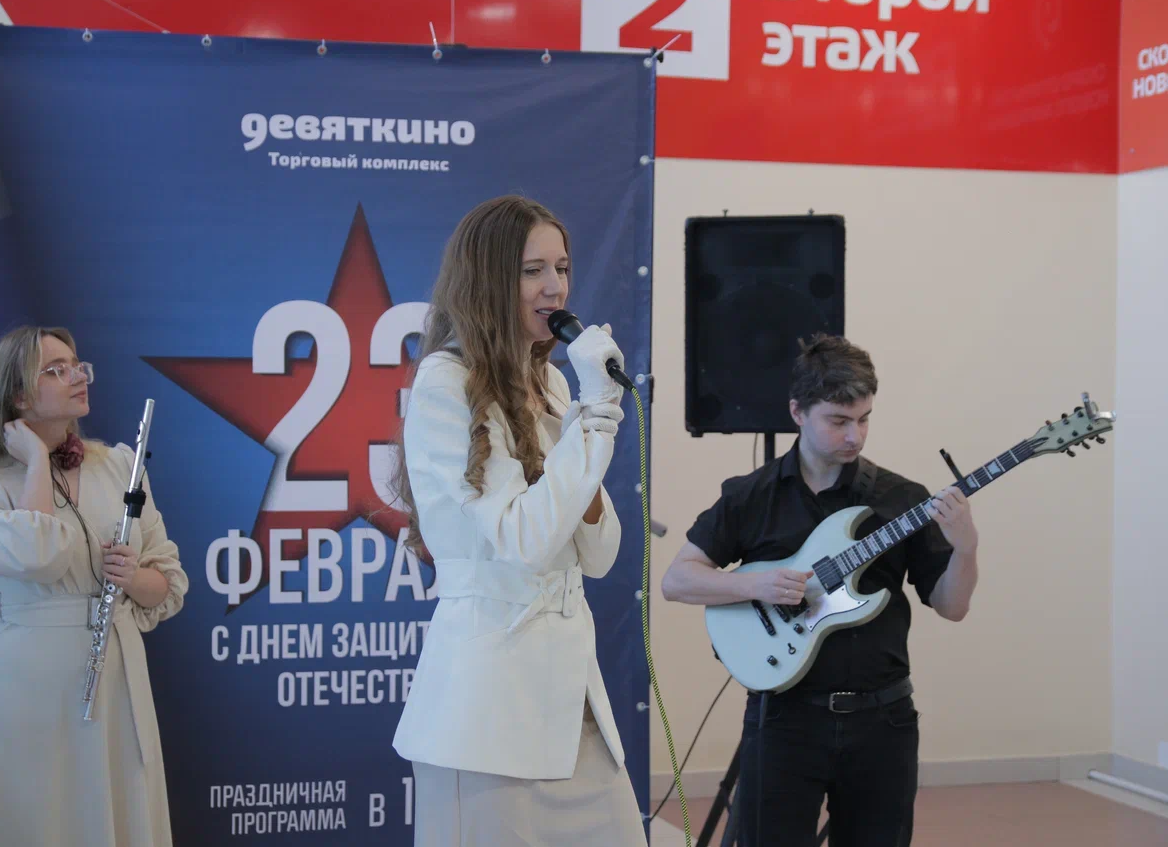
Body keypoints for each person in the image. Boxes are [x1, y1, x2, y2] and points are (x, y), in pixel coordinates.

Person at [389, 194, 646, 845]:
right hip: (488, 713)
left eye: (562, 267)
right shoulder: (446, 382)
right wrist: (595, 417)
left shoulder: (552, 383)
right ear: (488, 279)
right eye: (533, 270)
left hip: (570, 703)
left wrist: (584, 432)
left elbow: (600, 554)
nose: (555, 286)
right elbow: (523, 541)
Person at [661, 334, 980, 847]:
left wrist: (965, 548)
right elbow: (677, 580)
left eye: (864, 419)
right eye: (838, 420)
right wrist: (756, 584)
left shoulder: (902, 498)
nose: (855, 436)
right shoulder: (751, 495)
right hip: (783, 721)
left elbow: (953, 606)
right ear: (798, 412)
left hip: (884, 721)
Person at [0, 325, 188, 847]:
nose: (77, 376)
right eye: (55, 370)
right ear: (19, 395)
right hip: (28, 687)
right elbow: (36, 556)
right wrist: (37, 464)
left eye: (77, 365)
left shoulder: (119, 465)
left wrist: (132, 576)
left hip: (117, 683)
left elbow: (169, 585)